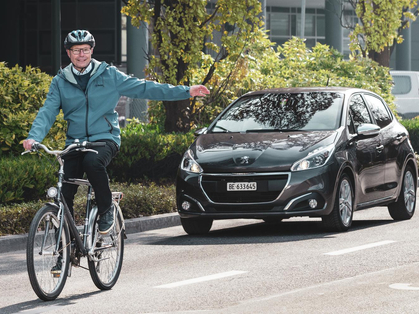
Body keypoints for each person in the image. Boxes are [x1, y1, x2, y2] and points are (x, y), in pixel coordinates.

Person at [23, 29, 210, 235]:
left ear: (92, 50)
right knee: (65, 188)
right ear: (68, 53)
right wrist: (34, 137)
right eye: (76, 50)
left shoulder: (108, 74)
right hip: (75, 141)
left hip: (105, 138)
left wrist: (186, 91)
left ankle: (106, 209)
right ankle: (64, 244)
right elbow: (48, 111)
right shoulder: (60, 81)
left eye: (85, 49)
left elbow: (145, 88)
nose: (81, 54)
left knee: (92, 163)